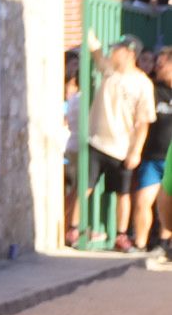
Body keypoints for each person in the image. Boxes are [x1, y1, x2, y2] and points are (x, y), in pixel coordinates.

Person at [78, 34, 155, 252]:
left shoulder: (142, 83)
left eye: (117, 49)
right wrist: (91, 37)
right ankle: (75, 228)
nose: (113, 53)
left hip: (122, 148)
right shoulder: (109, 72)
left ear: (130, 53)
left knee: (123, 194)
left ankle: (121, 236)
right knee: (86, 187)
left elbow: (143, 123)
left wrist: (135, 151)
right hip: (97, 142)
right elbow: (96, 54)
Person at [132, 49, 172, 252]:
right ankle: (140, 244)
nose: (157, 68)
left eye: (161, 65)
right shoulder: (152, 89)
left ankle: (165, 244)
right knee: (143, 201)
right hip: (153, 158)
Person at [63, 55, 81, 247]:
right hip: (77, 150)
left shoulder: (74, 99)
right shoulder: (81, 99)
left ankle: (68, 227)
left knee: (72, 191)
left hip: (70, 148)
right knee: (76, 191)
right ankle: (71, 228)